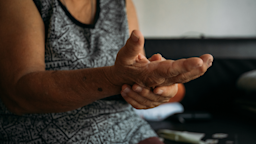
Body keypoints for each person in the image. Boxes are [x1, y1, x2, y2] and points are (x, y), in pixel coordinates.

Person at [0, 0, 213, 143]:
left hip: (128, 129)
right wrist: (115, 78)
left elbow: (137, 71)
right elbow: (19, 94)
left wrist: (155, 87)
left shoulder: (121, 4)